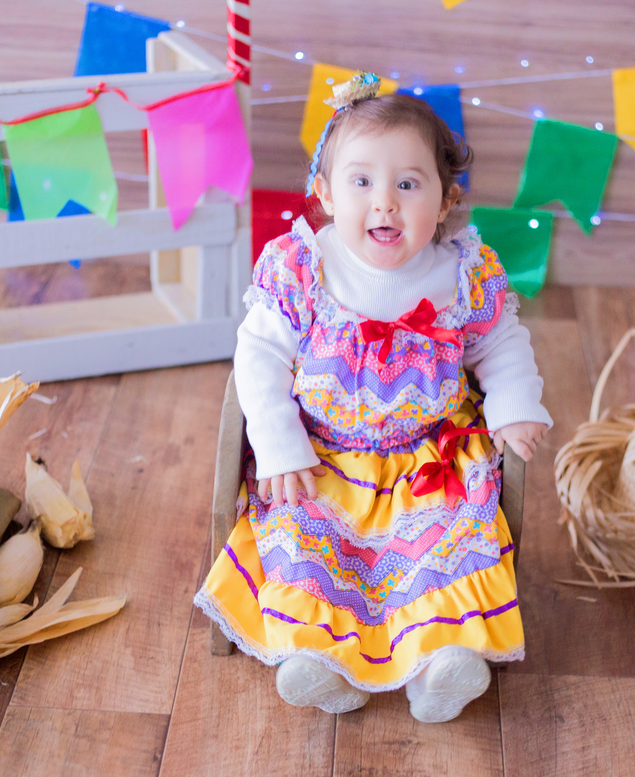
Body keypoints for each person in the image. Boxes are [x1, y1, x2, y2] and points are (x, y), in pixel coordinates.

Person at [194, 73, 551, 723]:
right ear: (326, 195)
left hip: (426, 454)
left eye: (408, 184)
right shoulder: (303, 268)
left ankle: (443, 660)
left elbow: (499, 343)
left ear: (444, 201)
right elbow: (259, 355)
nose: (383, 202)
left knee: (452, 535)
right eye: (361, 182)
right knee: (307, 536)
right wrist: (277, 442)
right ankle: (317, 659)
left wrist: (514, 404)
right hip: (321, 455)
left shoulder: (460, 275)